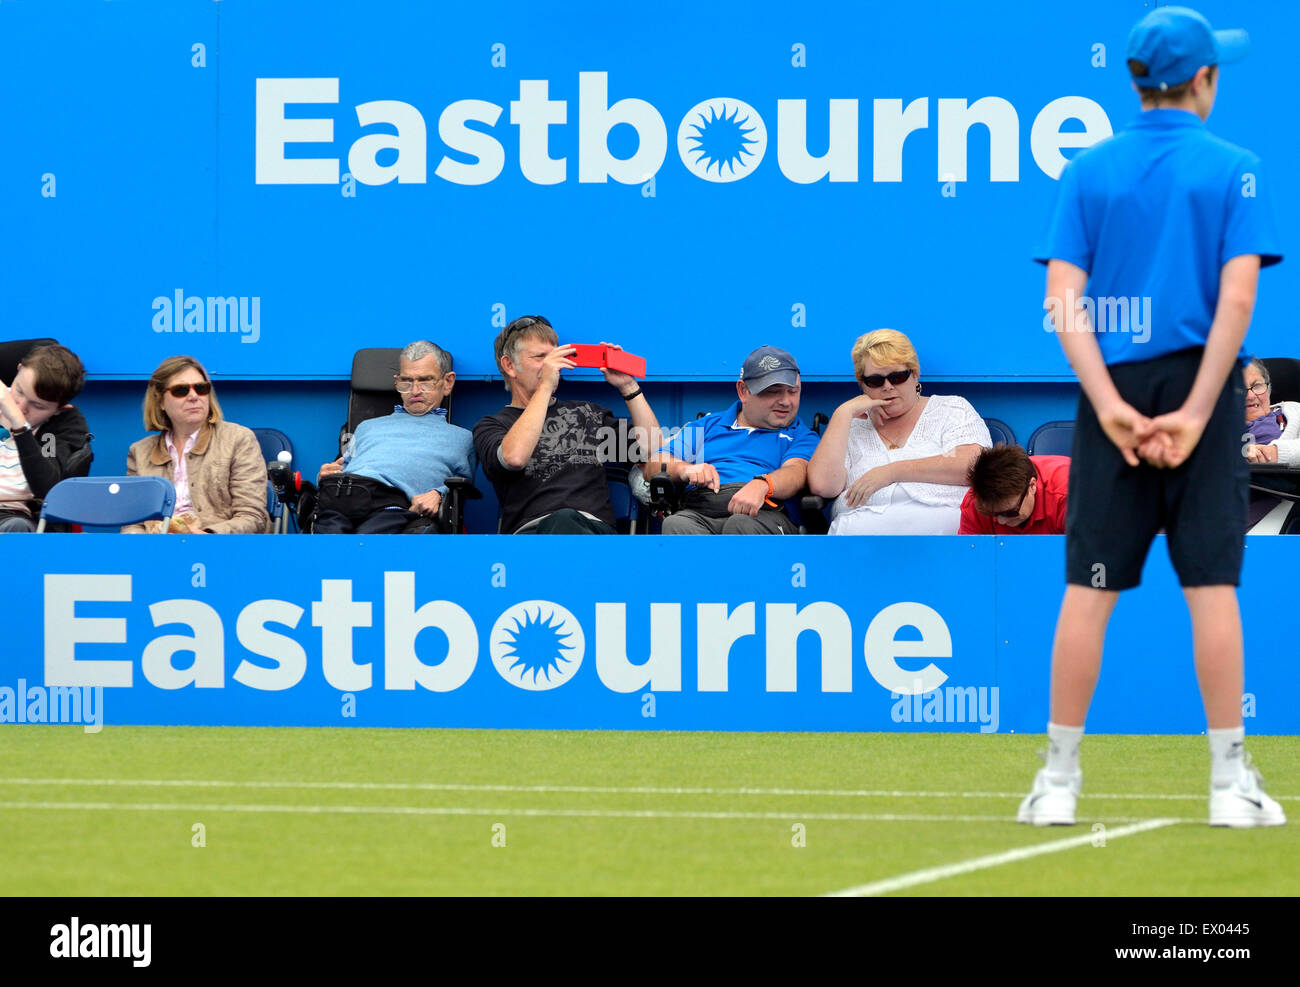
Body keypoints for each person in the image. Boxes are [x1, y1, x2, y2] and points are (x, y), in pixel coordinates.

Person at [1021, 7, 1284, 827]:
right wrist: (1202, 409)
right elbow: (1236, 301)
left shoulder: (1089, 169)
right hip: (1200, 384)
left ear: (1137, 80)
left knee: (1088, 591)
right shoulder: (1236, 166)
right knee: (1212, 588)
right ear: (1203, 80)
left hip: (1116, 390)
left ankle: (1057, 782)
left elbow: (1063, 304)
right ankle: (1228, 783)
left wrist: (1111, 410)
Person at [473, 315, 661, 534]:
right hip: (532, 537)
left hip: (594, 532)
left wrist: (629, 387)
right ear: (509, 366)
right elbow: (514, 458)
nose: (553, 365)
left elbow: (652, 449)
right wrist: (545, 386)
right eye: (539, 357)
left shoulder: (587, 413)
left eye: (553, 356)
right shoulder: (491, 425)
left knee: (567, 519)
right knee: (562, 519)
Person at [807, 329, 990, 534]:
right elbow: (823, 486)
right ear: (862, 384)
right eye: (875, 381)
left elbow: (973, 466)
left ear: (915, 374)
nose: (887, 387)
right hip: (860, 541)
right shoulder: (850, 426)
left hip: (943, 538)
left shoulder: (951, 409)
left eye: (897, 377)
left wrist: (891, 472)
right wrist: (843, 413)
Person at [645, 345, 819, 534]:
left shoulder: (801, 435)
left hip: (765, 514)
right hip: (702, 510)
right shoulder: (707, 425)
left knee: (740, 524)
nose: (786, 401)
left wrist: (764, 485)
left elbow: (796, 471)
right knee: (676, 523)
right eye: (773, 391)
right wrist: (685, 469)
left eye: (793, 391)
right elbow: (654, 464)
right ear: (743, 390)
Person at [313, 340, 476, 534]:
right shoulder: (365, 427)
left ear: (447, 382)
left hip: (392, 508)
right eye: (406, 381)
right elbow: (342, 467)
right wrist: (325, 475)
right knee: (323, 542)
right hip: (343, 500)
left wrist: (438, 494)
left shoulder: (461, 439)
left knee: (364, 543)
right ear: (397, 382)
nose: (415, 391)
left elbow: (463, 487)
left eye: (425, 381)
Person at [124, 356, 269, 534]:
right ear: (160, 401)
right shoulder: (140, 452)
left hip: (218, 551)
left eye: (201, 388)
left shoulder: (239, 439)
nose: (193, 396)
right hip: (156, 552)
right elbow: (133, 522)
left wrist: (207, 536)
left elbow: (253, 517)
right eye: (180, 390)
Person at [0, 344, 92, 532]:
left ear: (60, 408)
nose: (21, 407)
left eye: (38, 406)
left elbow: (48, 489)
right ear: (18, 370)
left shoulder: (63, 426)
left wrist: (20, 427)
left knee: (16, 527)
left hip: (15, 517)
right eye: (19, 391)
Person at [959, 446, 1069, 535]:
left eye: (1009, 513)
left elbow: (1084, 557)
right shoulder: (976, 502)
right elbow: (967, 558)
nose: (1001, 521)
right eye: (991, 514)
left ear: (1032, 486)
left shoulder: (1069, 497)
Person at [1242, 357, 1300, 464]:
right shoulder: (1217, 426)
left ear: (1269, 389)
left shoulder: (1295, 412)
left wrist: (1274, 453)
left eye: (1257, 385)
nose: (1250, 396)